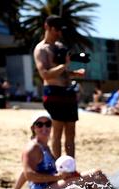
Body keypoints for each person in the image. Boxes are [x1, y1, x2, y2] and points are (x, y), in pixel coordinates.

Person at [12, 114, 119, 189]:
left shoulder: (44, 146)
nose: (44, 128)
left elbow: (24, 170)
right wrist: (59, 176)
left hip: (51, 188)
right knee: (96, 176)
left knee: (97, 174)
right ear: (33, 128)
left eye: (48, 124)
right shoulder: (32, 148)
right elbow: (29, 174)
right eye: (39, 124)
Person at [34, 15, 85, 158]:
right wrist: (64, 65)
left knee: (71, 132)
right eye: (56, 30)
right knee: (57, 132)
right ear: (47, 27)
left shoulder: (60, 47)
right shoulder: (41, 49)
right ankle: (58, 168)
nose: (59, 33)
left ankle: (70, 167)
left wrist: (75, 73)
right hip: (53, 92)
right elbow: (45, 74)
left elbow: (63, 72)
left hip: (68, 92)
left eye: (60, 30)